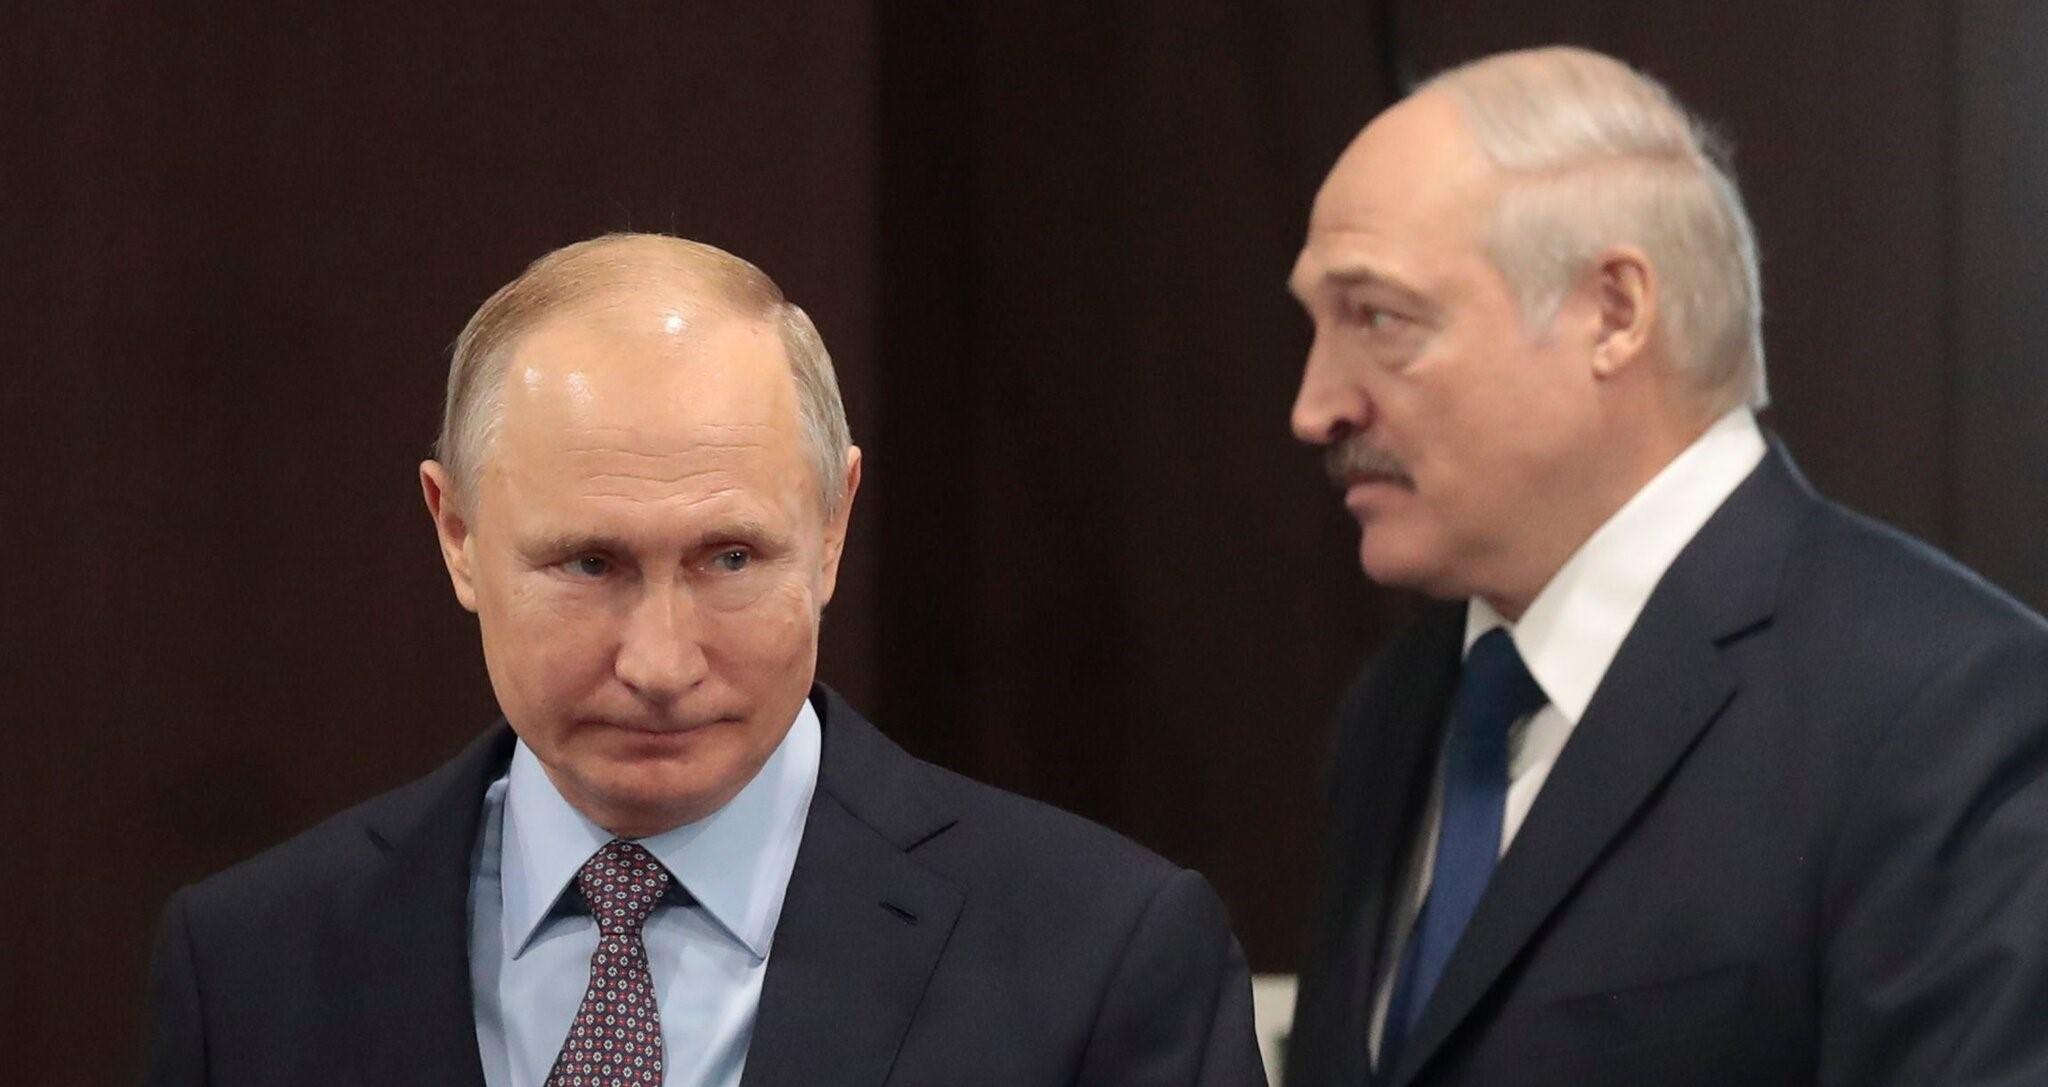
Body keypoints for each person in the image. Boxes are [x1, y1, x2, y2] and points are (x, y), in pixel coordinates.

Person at [142, 233, 1265, 1087]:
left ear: (832, 527)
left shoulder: (1103, 959)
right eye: (589, 563)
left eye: (730, 557)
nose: (662, 660)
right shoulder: (249, 968)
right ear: (458, 535)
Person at [1282, 46, 2048, 1087]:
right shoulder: (1399, 708)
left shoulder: (1948, 707)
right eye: (1317, 325)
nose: (1316, 406)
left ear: (1613, 312)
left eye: (1378, 317)